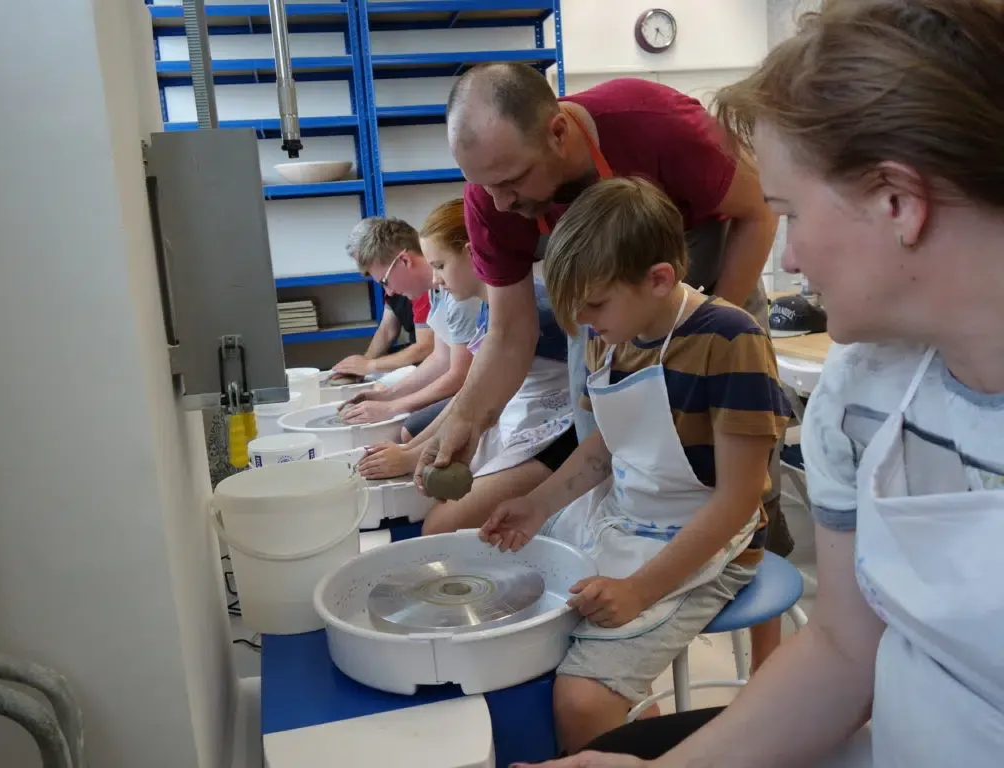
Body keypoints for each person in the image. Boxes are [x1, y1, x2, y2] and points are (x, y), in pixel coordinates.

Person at [522, 1, 1004, 766]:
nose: (795, 260)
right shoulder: (860, 392)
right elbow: (845, 649)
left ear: (898, 202)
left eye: (790, 214)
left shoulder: (734, 344)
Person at [416, 64, 795, 660]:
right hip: (601, 301)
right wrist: (464, 422)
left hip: (710, 277)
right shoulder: (495, 202)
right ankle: (638, 593)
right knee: (607, 437)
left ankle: (766, 658)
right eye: (483, 186)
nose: (499, 201)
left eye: (512, 180)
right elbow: (509, 335)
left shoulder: (654, 125)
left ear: (558, 133)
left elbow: (758, 213)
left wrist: (702, 333)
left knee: (741, 471)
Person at [479, 177, 790, 754]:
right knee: (520, 630)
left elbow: (738, 499)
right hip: (629, 518)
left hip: (714, 539)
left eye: (595, 304)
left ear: (660, 279)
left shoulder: (729, 340)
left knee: (582, 699)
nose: (585, 321)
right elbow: (606, 448)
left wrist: (640, 590)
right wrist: (537, 505)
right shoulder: (611, 333)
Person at [358, 198, 578, 534]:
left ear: (472, 253)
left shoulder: (532, 308)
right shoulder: (490, 305)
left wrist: (412, 451)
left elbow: (473, 392)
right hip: (521, 415)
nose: (435, 279)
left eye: (440, 266)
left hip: (559, 432)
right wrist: (412, 450)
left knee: (439, 527)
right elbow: (473, 394)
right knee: (439, 495)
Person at [339, 217, 482, 437]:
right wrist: (388, 395)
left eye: (385, 282)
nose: (389, 292)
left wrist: (392, 407)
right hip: (471, 382)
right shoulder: (436, 291)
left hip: (488, 387)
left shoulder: (458, 295)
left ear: (404, 261)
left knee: (408, 430)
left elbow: (460, 375)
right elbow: (440, 358)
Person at [333, 219, 435, 380]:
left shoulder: (421, 286)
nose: (364, 269)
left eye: (368, 262)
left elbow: (426, 347)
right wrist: (362, 365)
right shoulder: (394, 280)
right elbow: (386, 331)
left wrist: (370, 366)